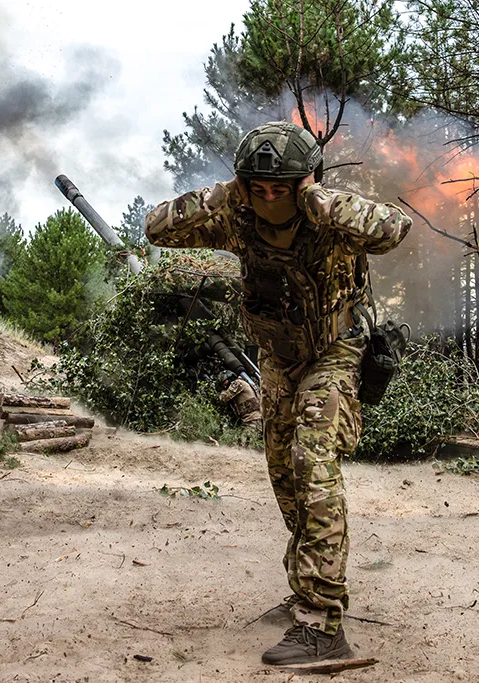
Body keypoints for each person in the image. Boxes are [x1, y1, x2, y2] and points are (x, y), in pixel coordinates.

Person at [145, 121, 411, 664]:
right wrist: (225, 194)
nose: (270, 198)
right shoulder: (236, 215)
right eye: (258, 187)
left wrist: (317, 197)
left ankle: (322, 624)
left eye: (281, 187)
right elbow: (157, 228)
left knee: (313, 465)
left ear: (304, 180)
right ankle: (305, 591)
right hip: (278, 360)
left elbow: (393, 229)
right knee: (286, 478)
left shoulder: (329, 218)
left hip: (336, 352)